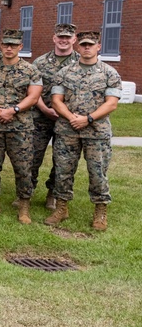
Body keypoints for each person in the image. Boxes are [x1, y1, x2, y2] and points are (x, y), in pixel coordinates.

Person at [47, 31, 121, 231]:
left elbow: (112, 104)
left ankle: (100, 211)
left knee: (97, 173)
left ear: (98, 47)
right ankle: (61, 208)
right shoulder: (64, 72)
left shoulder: (109, 73)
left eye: (91, 44)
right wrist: (72, 118)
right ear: (78, 47)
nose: (87, 48)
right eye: (83, 44)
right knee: (63, 171)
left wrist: (88, 119)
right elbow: (56, 101)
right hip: (67, 130)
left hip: (96, 132)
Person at [0, 29, 43, 224]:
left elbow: (33, 96)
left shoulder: (31, 70)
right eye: (6, 44)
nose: (9, 48)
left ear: (20, 47)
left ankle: (23, 206)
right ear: (1, 46)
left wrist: (12, 110)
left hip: (20, 127)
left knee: (23, 167)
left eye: (13, 45)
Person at [30, 23, 79, 210]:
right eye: (61, 37)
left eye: (68, 37)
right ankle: (27, 191)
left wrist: (63, 113)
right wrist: (44, 109)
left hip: (66, 119)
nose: (64, 40)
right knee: (32, 156)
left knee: (62, 159)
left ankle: (53, 193)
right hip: (40, 116)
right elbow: (33, 90)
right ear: (54, 38)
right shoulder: (40, 62)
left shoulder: (80, 62)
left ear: (74, 39)